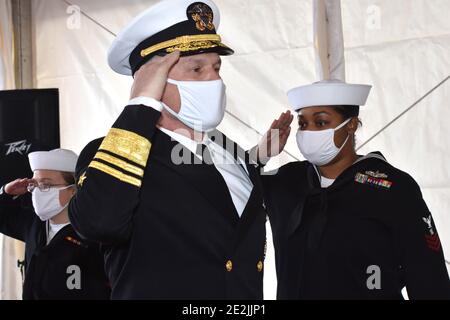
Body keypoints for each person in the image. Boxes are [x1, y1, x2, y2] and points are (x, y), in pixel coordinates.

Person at [69, 0, 267, 299]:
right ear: (153, 79)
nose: (214, 79)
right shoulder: (112, 154)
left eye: (216, 67)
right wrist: (140, 107)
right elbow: (98, 223)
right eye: (196, 69)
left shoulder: (231, 153)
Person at [259, 79, 450, 299]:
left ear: (351, 125)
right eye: (303, 124)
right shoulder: (287, 181)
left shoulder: (392, 187)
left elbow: (429, 279)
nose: (309, 131)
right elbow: (228, 194)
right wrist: (260, 155)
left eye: (320, 123)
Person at [0, 149, 110, 300]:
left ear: (73, 190)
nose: (37, 191)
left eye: (46, 185)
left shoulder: (92, 233)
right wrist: (6, 192)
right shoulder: (34, 225)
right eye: (34, 185)